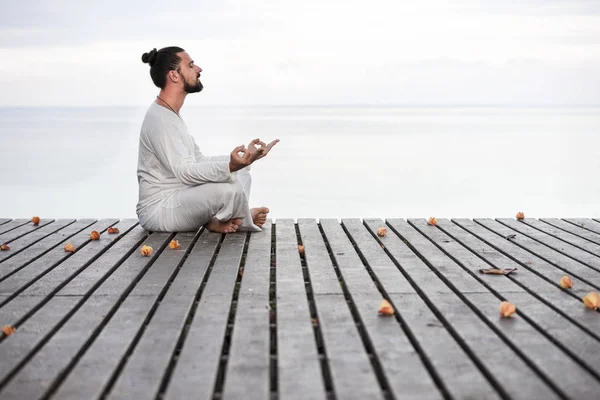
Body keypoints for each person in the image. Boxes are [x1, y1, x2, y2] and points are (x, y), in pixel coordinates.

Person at [136, 46, 278, 233]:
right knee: (230, 189)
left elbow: (199, 161)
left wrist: (244, 160)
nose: (199, 69)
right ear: (174, 75)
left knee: (242, 172)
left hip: (181, 199)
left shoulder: (171, 115)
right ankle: (240, 219)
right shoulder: (160, 120)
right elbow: (184, 171)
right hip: (159, 210)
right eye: (191, 65)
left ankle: (222, 219)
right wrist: (229, 167)